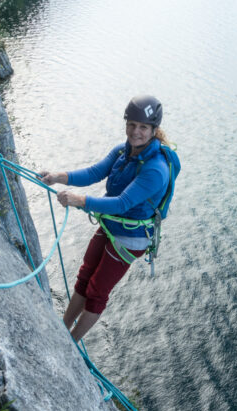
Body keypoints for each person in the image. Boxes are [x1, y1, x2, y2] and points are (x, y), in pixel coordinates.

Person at [40, 95, 170, 342]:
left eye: (143, 127)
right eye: (132, 124)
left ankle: (71, 343)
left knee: (97, 290)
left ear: (154, 130)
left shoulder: (155, 169)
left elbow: (122, 203)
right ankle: (62, 327)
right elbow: (94, 173)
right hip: (112, 225)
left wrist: (80, 200)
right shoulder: (123, 151)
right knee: (85, 274)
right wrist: (58, 176)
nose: (136, 131)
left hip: (130, 238)